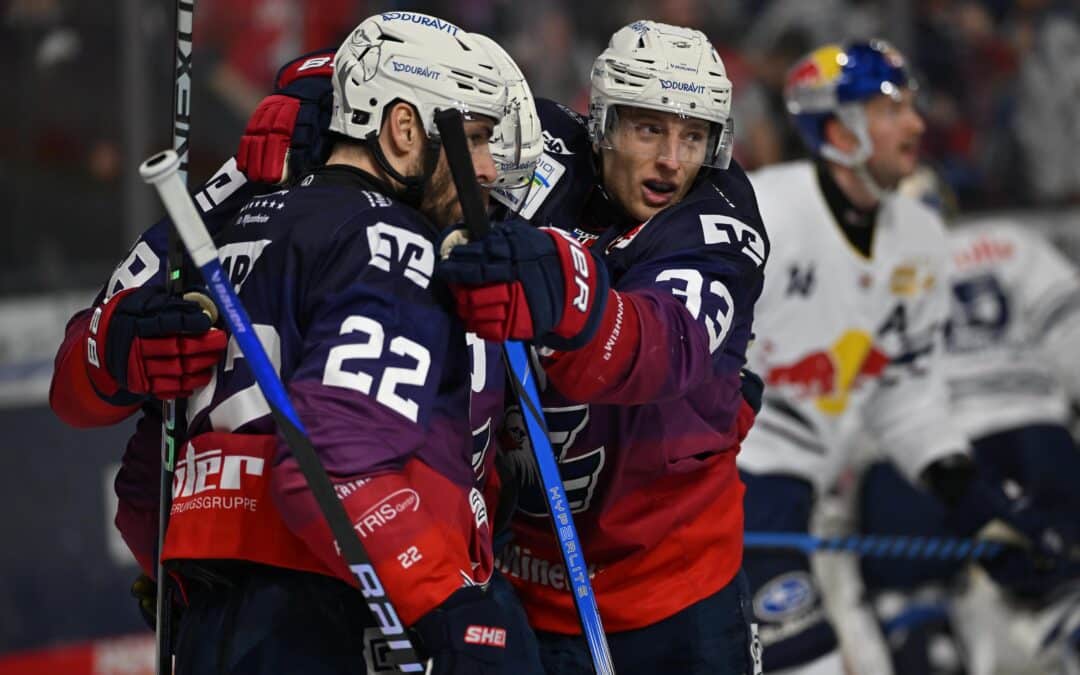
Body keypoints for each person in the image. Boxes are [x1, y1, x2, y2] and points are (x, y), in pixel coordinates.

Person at [49, 13, 546, 674]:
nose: (485, 169)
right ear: (401, 130)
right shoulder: (393, 242)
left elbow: (147, 477)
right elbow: (338, 461)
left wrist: (177, 566)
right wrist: (448, 606)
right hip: (336, 607)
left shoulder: (225, 234)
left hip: (215, 615)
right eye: (475, 139)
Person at [440, 20, 768, 675]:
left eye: (693, 135)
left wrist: (561, 286)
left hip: (679, 596)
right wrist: (314, 104)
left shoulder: (719, 217)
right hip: (519, 586)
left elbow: (661, 345)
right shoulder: (536, 146)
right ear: (603, 124)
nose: (673, 160)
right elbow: (421, 85)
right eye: (649, 129)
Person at [733, 40, 1071, 674]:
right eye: (891, 109)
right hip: (715, 487)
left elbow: (905, 395)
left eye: (912, 107)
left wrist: (979, 502)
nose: (916, 124)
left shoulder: (918, 239)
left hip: (799, 491)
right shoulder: (760, 212)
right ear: (837, 128)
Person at [841, 166, 1080, 674]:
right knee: (1059, 573)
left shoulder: (863, 270)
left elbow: (848, 383)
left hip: (916, 454)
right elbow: (1070, 329)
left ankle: (922, 632)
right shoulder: (1007, 242)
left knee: (910, 598)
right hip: (1031, 432)